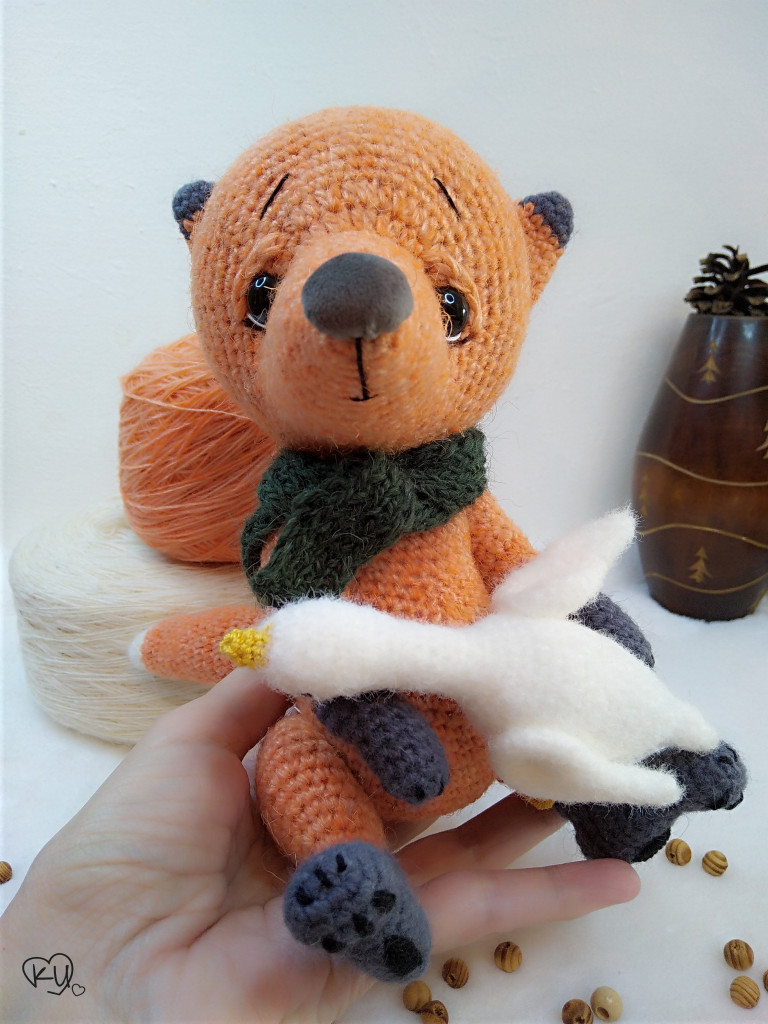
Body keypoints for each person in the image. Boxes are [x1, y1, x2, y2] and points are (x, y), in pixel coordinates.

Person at [0, 667, 640, 1023]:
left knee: (541, 741)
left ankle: (620, 783)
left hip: (485, 729)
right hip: (327, 747)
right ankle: (362, 894)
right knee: (310, 790)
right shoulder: (331, 625)